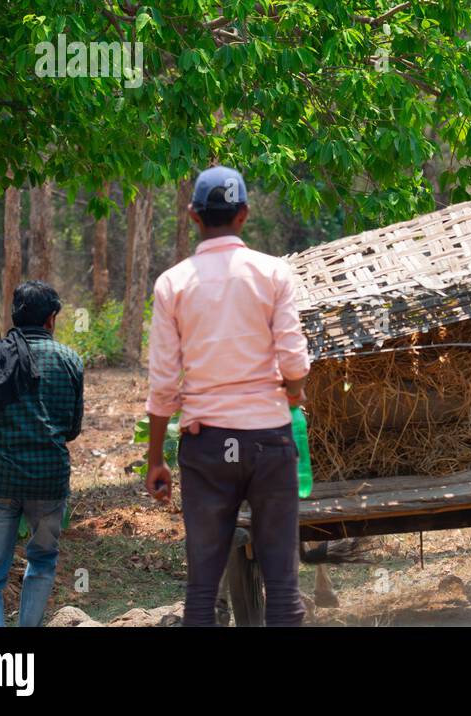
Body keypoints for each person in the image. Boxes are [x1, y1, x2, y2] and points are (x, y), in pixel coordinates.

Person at [144, 166, 312, 626]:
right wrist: (292, 395)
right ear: (243, 215)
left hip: (207, 448)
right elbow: (294, 361)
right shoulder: (273, 273)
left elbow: (163, 384)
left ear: (194, 216)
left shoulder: (172, 284)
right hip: (270, 443)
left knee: (201, 592)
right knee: (282, 588)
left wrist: (156, 457)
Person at [0, 280, 84, 627]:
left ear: (16, 315)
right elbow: (71, 429)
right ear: (51, 320)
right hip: (49, 482)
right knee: (42, 562)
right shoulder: (70, 360)